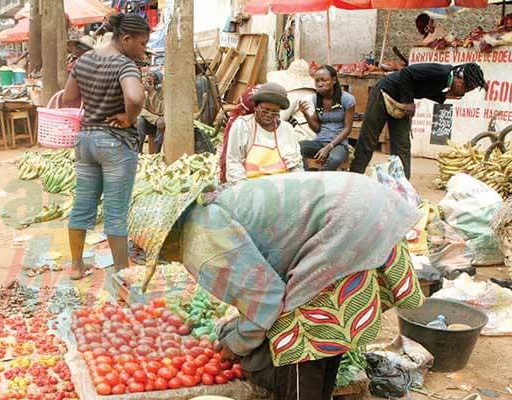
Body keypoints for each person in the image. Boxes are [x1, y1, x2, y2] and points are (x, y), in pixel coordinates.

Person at [134, 172, 425, 400]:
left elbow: (266, 299)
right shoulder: (207, 212)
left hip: (345, 221)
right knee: (327, 326)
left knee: (302, 330)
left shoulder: (202, 237)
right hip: (362, 200)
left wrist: (234, 344)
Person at [60, 13, 150, 280]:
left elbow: (68, 98)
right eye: (143, 43)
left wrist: (95, 107)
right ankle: (122, 271)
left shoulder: (84, 60)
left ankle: (76, 265)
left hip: (86, 141)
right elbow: (134, 96)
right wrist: (129, 117)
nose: (143, 49)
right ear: (126, 38)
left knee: (83, 204)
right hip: (115, 144)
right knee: (116, 211)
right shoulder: (125, 65)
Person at [350, 63, 487, 178]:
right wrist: (409, 102)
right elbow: (406, 73)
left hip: (401, 101)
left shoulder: (446, 82)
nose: (464, 92)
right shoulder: (440, 72)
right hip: (385, 92)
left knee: (402, 144)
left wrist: (444, 96)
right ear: (458, 78)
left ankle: (402, 182)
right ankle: (355, 177)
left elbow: (424, 88)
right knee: (369, 138)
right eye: (465, 87)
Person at [224, 83, 303, 184]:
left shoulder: (286, 129)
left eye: (275, 112)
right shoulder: (243, 126)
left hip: (281, 185)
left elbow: (295, 164)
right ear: (256, 107)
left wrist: (296, 184)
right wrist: (244, 188)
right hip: (249, 184)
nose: (269, 115)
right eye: (265, 110)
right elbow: (233, 161)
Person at [299, 65, 354, 171]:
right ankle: (305, 177)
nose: (320, 84)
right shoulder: (316, 99)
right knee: (296, 148)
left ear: (334, 80)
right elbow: (317, 129)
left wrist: (329, 147)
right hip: (319, 142)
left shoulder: (347, 99)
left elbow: (347, 129)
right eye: (317, 81)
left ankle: (319, 180)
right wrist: (306, 115)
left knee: (335, 159)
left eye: (324, 80)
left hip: (339, 145)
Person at [136, 69, 164, 153]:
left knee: (162, 122)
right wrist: (155, 119)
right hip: (151, 121)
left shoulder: (162, 92)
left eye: (151, 76)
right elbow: (141, 109)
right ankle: (138, 152)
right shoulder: (144, 93)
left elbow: (161, 111)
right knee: (139, 119)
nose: (148, 78)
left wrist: (152, 92)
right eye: (147, 75)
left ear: (157, 80)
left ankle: (156, 154)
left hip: (161, 123)